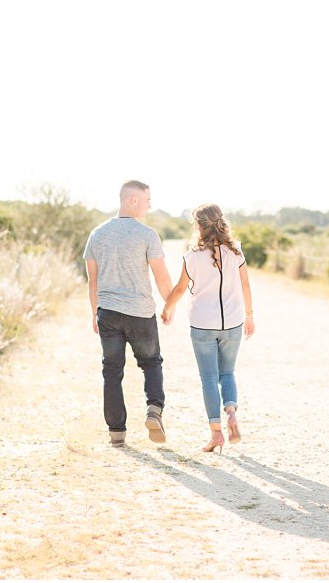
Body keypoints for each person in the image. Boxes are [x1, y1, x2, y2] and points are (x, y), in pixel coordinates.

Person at [84, 180, 174, 447]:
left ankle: (116, 433)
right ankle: (154, 410)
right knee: (151, 363)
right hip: (140, 313)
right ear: (133, 200)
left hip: (108, 313)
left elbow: (92, 281)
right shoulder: (147, 234)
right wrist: (169, 304)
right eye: (147, 200)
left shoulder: (97, 234)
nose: (149, 205)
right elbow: (161, 277)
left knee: (111, 371)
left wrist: (94, 313)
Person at [162, 204, 256, 453]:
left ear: (198, 226)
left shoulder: (191, 257)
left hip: (202, 325)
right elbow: (245, 286)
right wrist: (249, 316)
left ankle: (216, 434)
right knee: (228, 373)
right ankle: (232, 412)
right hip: (233, 323)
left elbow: (180, 289)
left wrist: (167, 308)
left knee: (208, 378)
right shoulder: (236, 252)